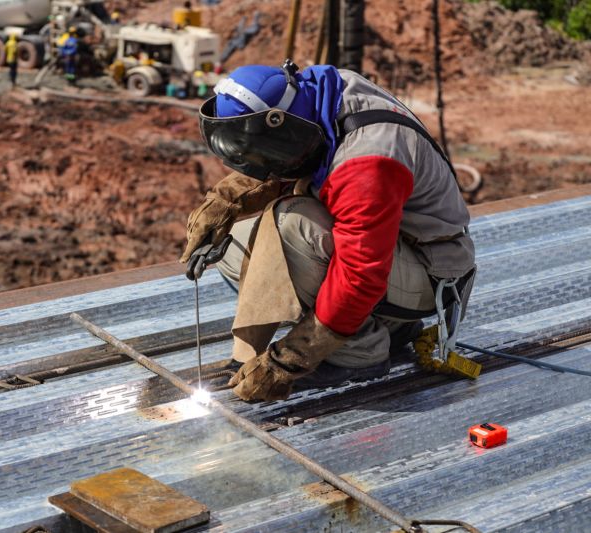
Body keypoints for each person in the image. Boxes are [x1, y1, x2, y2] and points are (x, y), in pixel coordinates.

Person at [181, 61, 476, 402]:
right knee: (235, 241)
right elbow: (289, 157)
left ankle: (360, 352)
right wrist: (226, 201)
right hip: (389, 252)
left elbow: (360, 276)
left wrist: (288, 361)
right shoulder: (320, 95)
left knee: (293, 223)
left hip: (431, 271)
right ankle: (388, 328)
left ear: (285, 124)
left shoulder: (369, 160)